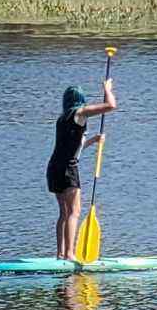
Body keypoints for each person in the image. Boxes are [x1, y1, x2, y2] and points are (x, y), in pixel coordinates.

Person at [46, 78, 117, 259]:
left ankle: (60, 254)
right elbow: (111, 106)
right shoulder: (80, 112)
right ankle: (70, 255)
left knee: (64, 212)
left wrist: (93, 140)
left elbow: (71, 147)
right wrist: (107, 89)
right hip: (68, 169)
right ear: (80, 100)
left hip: (54, 167)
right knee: (74, 212)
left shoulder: (62, 119)